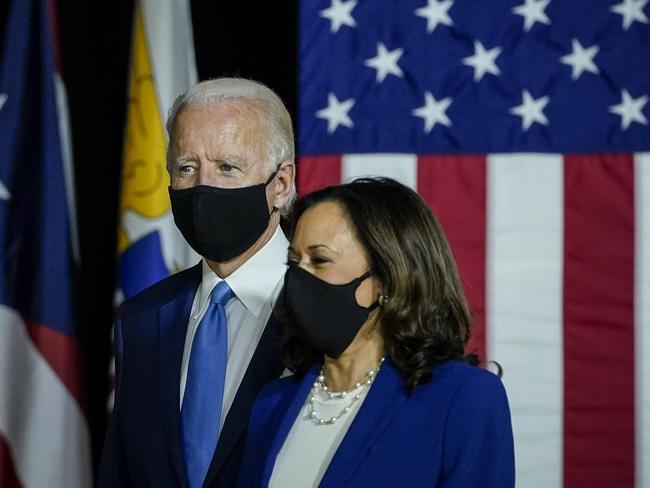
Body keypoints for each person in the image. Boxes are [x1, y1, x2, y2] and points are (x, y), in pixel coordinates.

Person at [238, 178, 515, 487]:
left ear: (385, 278)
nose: (299, 279)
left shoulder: (463, 398)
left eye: (320, 260)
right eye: (293, 262)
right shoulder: (271, 403)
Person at [97, 77, 296, 488]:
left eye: (227, 167)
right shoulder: (142, 319)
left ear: (280, 185)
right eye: (187, 168)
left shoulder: (328, 310)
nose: (203, 186)